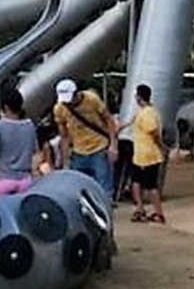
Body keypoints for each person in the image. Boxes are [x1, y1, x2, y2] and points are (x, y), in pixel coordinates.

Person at [53, 78, 118, 202]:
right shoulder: (60, 108)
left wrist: (113, 146)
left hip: (99, 147)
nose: (68, 103)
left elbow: (109, 120)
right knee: (77, 187)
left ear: (76, 93)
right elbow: (64, 135)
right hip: (78, 151)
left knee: (103, 186)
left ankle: (105, 209)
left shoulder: (92, 100)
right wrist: (65, 159)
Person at [122, 84, 166, 224]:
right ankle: (140, 208)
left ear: (139, 97)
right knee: (136, 182)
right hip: (141, 155)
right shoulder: (147, 112)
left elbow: (153, 132)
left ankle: (158, 213)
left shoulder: (147, 114)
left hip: (148, 155)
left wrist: (161, 146)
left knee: (149, 186)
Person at [0, 89, 38, 197]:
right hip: (25, 179)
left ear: (5, 107)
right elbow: (35, 151)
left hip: (3, 178)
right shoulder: (30, 125)